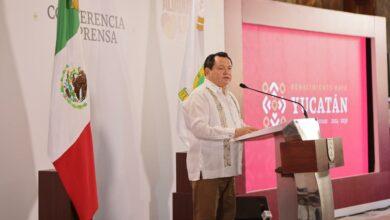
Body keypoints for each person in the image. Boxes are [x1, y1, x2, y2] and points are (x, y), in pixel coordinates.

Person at [183, 52, 258, 220]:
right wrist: (235, 132)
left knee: (228, 216)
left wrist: (253, 132)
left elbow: (237, 125)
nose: (227, 72)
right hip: (208, 171)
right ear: (207, 71)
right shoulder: (199, 95)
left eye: (229, 68)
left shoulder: (230, 97)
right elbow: (200, 129)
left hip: (228, 170)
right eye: (221, 68)